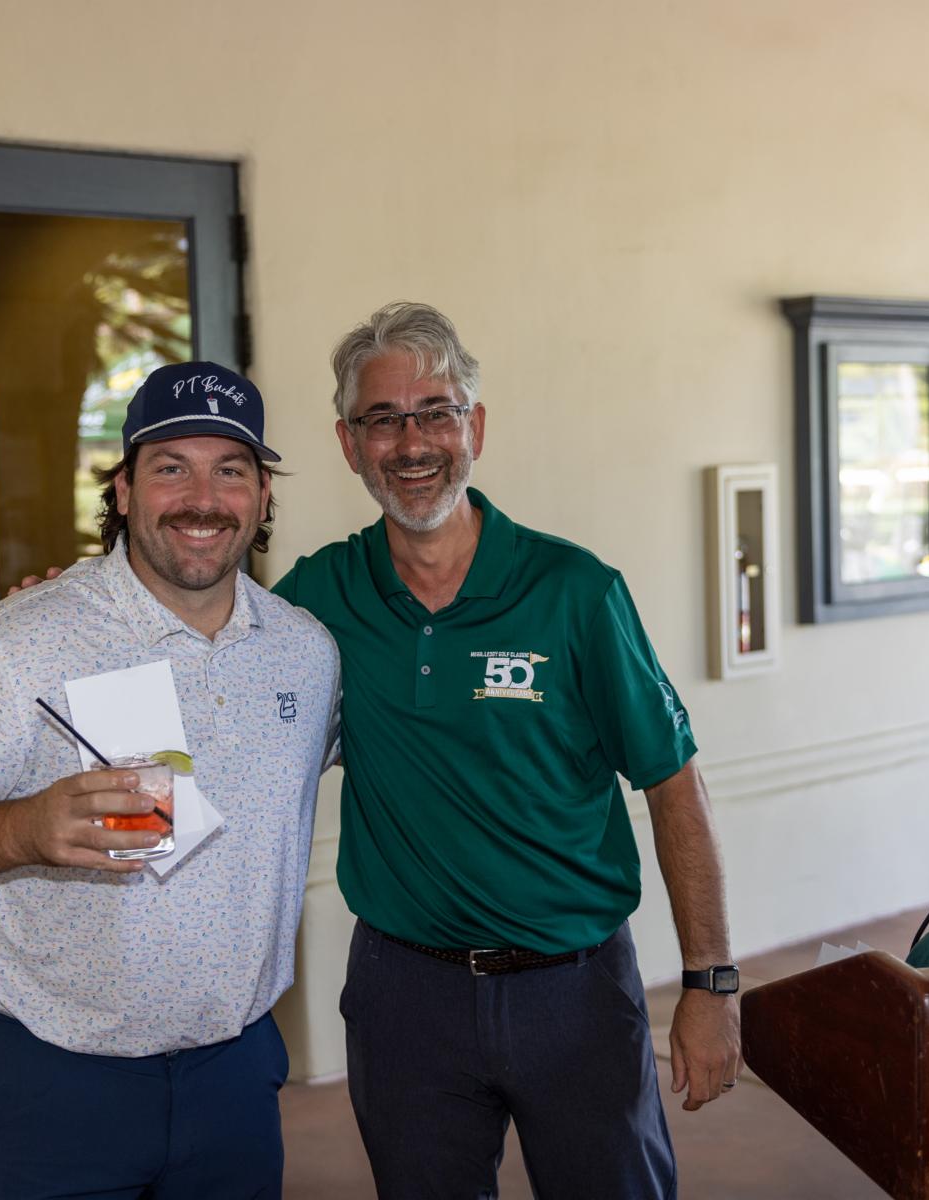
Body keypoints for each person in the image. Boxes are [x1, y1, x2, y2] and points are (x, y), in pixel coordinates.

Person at [268, 302, 741, 1199]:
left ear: (474, 428)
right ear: (349, 443)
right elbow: (207, 668)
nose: (412, 443)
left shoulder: (576, 592)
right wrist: (73, 620)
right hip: (405, 999)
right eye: (383, 419)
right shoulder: (317, 598)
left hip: (575, 992)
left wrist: (710, 983)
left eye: (436, 413)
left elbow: (674, 784)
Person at [0, 362, 340, 1200]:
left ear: (264, 496)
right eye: (171, 468)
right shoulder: (23, 641)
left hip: (234, 1076)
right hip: (53, 1084)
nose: (202, 498)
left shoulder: (305, 651)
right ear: (122, 489)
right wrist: (21, 828)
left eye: (231, 470)